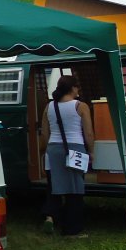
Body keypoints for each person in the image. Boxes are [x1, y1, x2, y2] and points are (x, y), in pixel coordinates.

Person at [39, 75, 95, 237]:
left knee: (56, 188)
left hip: (53, 149)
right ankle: (72, 229)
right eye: (77, 87)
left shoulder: (49, 107)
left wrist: (48, 150)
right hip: (75, 148)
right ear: (72, 88)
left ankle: (51, 217)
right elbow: (89, 133)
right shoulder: (81, 106)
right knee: (75, 190)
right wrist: (91, 151)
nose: (78, 90)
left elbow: (45, 133)